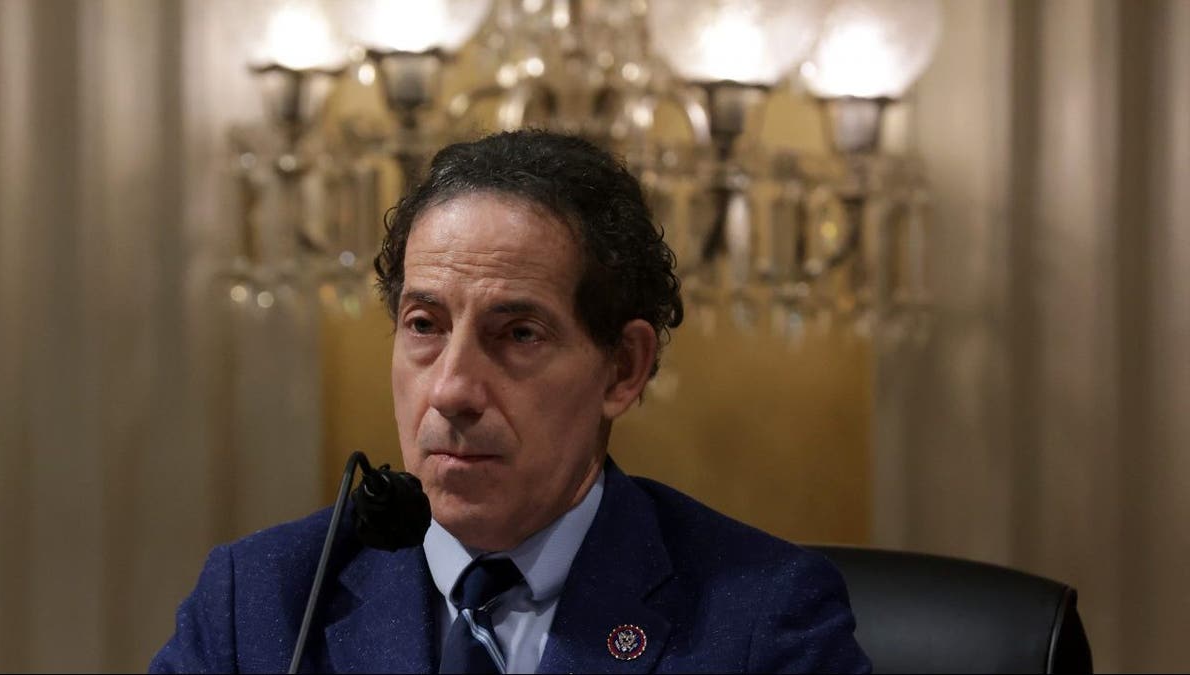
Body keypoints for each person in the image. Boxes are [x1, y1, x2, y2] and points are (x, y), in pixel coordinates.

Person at [151, 130, 871, 674]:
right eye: (425, 326)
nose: (453, 389)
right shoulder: (261, 604)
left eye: (519, 334)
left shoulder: (761, 619)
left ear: (623, 368)